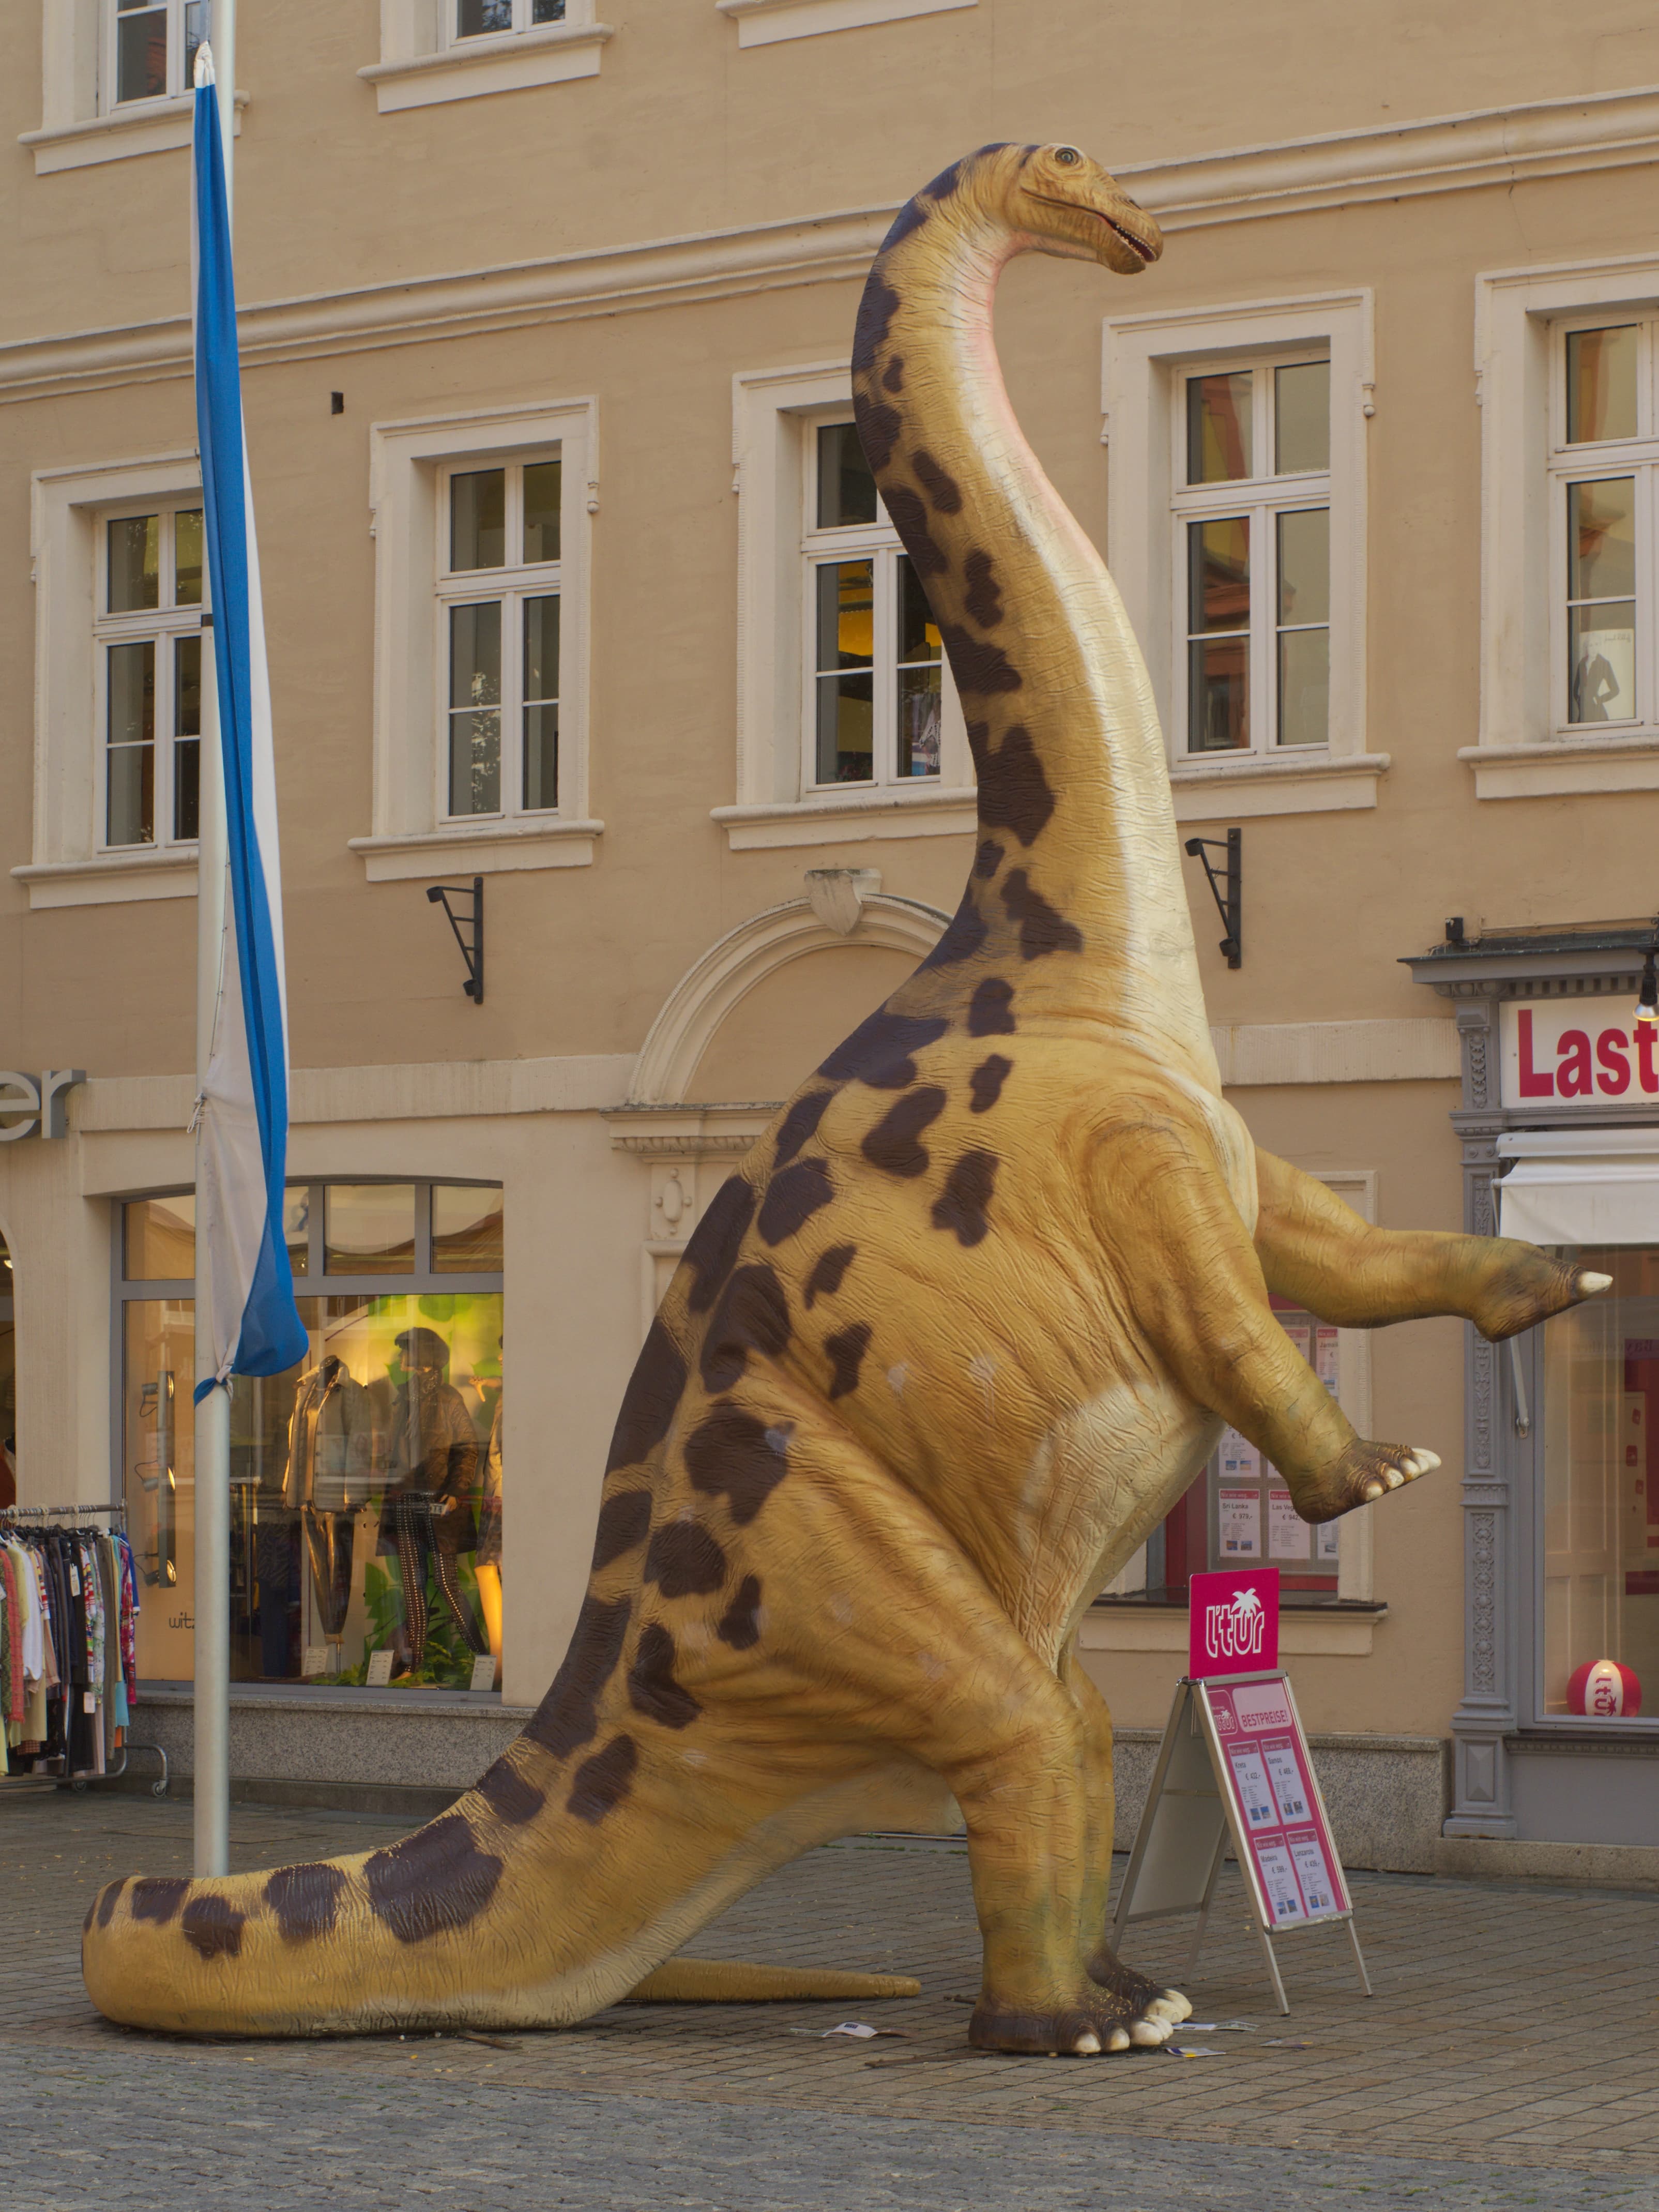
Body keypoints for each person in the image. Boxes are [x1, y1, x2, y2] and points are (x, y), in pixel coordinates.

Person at [376, 1326, 485, 1674]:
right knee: (411, 1586)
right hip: (404, 1499)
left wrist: (456, 1491)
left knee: (445, 1583)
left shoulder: (448, 1397)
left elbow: (467, 1448)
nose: (399, 1358)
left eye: (404, 1351)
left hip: (438, 1503)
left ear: (421, 1356)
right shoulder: (403, 1397)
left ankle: (482, 1662)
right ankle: (414, 1667)